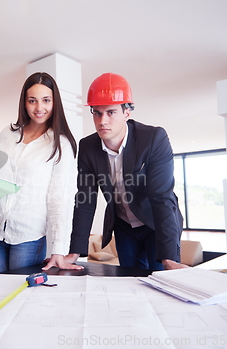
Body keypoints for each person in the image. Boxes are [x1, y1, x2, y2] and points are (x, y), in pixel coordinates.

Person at [65, 73, 187, 270]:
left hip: (155, 223)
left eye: (111, 112)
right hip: (123, 226)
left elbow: (161, 197)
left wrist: (168, 258)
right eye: (97, 113)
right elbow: (85, 199)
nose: (102, 120)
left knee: (162, 280)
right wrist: (74, 252)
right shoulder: (87, 147)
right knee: (130, 284)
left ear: (126, 113)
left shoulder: (154, 138)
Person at [0, 72, 83, 274]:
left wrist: (59, 249)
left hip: (28, 236)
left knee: (20, 296)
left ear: (54, 102)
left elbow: (60, 198)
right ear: (24, 103)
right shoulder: (7, 134)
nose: (39, 108)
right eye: (32, 101)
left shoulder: (61, 144)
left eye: (46, 100)